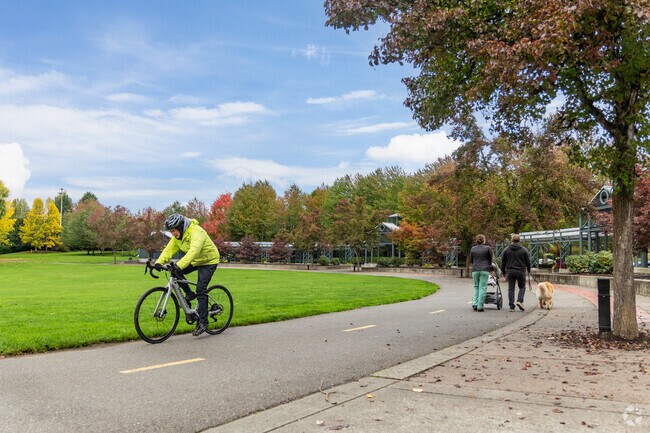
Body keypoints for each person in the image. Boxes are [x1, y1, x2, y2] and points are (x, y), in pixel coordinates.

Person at [154, 213, 220, 336]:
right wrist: (158, 262)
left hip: (209, 261)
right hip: (195, 261)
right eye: (171, 231)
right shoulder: (178, 237)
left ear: (181, 227)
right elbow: (168, 250)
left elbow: (193, 251)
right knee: (175, 272)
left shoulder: (197, 232)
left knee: (201, 289)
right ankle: (189, 294)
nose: (172, 233)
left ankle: (203, 322)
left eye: (174, 230)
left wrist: (178, 265)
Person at [500, 233, 531, 312]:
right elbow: (528, 261)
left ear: (512, 240)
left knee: (511, 289)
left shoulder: (506, 249)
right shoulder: (524, 250)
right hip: (521, 271)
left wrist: (503, 271)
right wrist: (529, 269)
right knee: (522, 287)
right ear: (519, 240)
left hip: (510, 271)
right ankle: (519, 300)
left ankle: (511, 306)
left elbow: (503, 262)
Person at [470, 234, 493, 312]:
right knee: (482, 287)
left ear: (476, 240)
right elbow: (490, 259)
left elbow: (472, 260)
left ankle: (474, 303)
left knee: (476, 287)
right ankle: (480, 306)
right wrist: (489, 266)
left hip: (475, 269)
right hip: (484, 269)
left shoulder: (473, 249)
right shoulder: (487, 248)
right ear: (484, 240)